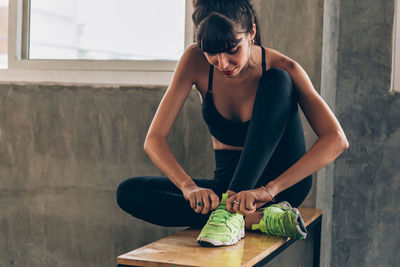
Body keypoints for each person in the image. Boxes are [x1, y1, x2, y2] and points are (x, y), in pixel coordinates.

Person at [116, 0, 349, 246]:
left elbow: (336, 139)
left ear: (252, 32)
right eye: (212, 52)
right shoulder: (194, 59)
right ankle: (252, 220)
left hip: (278, 190)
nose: (223, 63)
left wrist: (268, 190)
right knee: (129, 191)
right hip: (226, 189)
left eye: (231, 49)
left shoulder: (284, 67)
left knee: (278, 80)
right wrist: (189, 188)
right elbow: (154, 139)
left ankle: (231, 214)